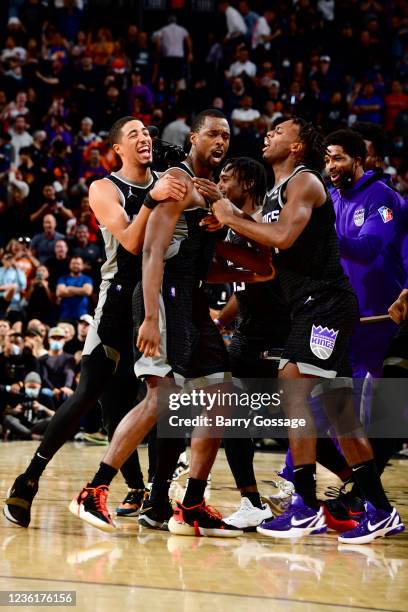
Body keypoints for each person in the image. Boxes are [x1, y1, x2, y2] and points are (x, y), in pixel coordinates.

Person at [211, 117, 404, 543]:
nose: (269, 134)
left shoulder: (305, 183)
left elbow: (280, 236)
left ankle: (303, 504)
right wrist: (219, 230)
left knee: (292, 384)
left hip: (327, 303)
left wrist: (227, 213)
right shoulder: (277, 194)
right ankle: (381, 511)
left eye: (278, 131)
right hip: (309, 306)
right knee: (339, 413)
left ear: (298, 147)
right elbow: (262, 258)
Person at [69, 109, 247, 537]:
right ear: (193, 138)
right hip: (162, 296)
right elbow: (149, 251)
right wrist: (149, 317)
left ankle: (193, 503)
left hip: (191, 298)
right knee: (161, 400)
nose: (220, 143)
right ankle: (94, 489)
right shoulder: (177, 183)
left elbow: (206, 253)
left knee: (219, 395)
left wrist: (225, 218)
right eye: (213, 135)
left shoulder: (207, 189)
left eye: (226, 136)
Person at [3, 116, 187, 529]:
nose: (144, 138)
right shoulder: (104, 188)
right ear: (117, 148)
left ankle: (154, 496)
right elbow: (132, 241)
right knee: (94, 393)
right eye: (134, 134)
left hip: (157, 297)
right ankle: (28, 478)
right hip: (119, 296)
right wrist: (153, 199)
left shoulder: (166, 178)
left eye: (147, 133)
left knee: (160, 396)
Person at [325, 129, 405, 377]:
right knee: (333, 400)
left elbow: (369, 249)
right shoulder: (330, 197)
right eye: (327, 160)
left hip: (380, 317)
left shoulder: (382, 196)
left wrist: (320, 240)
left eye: (338, 159)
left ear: (357, 160)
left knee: (378, 405)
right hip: (342, 316)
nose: (330, 167)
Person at [3, 371, 55, 441]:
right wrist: (14, 410)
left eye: (34, 387)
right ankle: (32, 436)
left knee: (51, 419)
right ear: (25, 385)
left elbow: (55, 415)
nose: (31, 389)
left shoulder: (45, 397)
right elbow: (6, 413)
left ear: (39, 386)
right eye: (29, 387)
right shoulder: (19, 396)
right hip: (21, 425)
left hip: (37, 425)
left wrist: (43, 408)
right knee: (8, 418)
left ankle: (25, 436)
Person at [56, 256, 93, 321]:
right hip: (65, 315)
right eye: (73, 263)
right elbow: (59, 292)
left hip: (82, 316)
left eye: (78, 264)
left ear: (82, 266)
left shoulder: (87, 278)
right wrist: (80, 291)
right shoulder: (63, 278)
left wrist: (69, 289)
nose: (75, 266)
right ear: (70, 265)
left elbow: (87, 291)